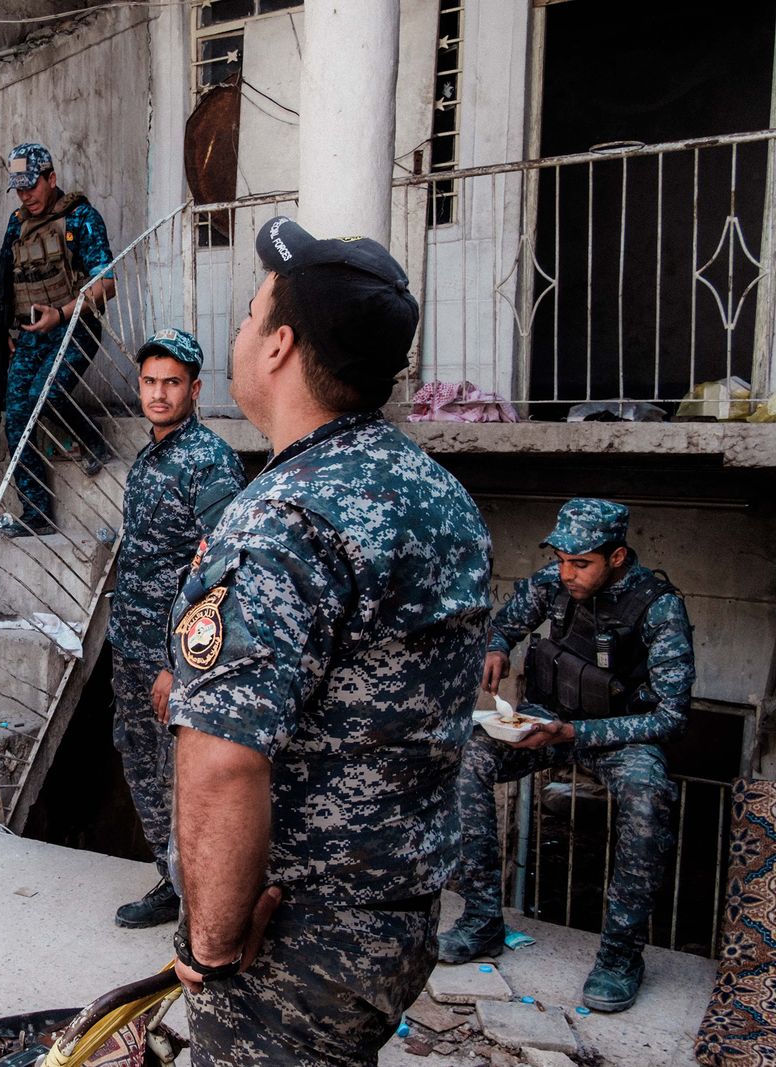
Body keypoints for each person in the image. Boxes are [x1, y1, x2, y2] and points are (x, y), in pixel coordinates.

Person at [166, 217, 493, 1065]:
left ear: (278, 346)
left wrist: (210, 942)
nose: (236, 334)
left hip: (295, 944)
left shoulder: (279, 521)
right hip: (399, 922)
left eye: (246, 317)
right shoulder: (440, 494)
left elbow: (223, 760)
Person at [439, 497, 694, 1013]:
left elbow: (672, 716)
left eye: (581, 563)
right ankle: (483, 918)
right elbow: (503, 623)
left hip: (620, 735)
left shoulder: (658, 606)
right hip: (545, 719)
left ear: (617, 557)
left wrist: (573, 734)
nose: (567, 573)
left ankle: (621, 955)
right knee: (467, 757)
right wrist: (496, 645)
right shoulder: (552, 583)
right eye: (561, 559)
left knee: (648, 795)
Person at [109, 327, 244, 929]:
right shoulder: (152, 455)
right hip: (130, 648)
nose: (158, 393)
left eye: (171, 383)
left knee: (183, 778)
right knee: (140, 761)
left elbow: (220, 571)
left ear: (195, 389)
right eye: (149, 382)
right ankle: (174, 881)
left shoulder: (210, 461)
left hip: (175, 659)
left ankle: (202, 908)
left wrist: (177, 664)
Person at [0, 143, 116, 537]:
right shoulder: (17, 222)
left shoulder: (81, 218)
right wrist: (4, 332)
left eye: (32, 186)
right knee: (16, 419)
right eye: (19, 189)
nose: (26, 196)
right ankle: (37, 513)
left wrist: (61, 314)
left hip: (75, 327)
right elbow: (5, 275)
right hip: (31, 333)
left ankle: (92, 439)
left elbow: (107, 283)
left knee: (43, 395)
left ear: (52, 179)